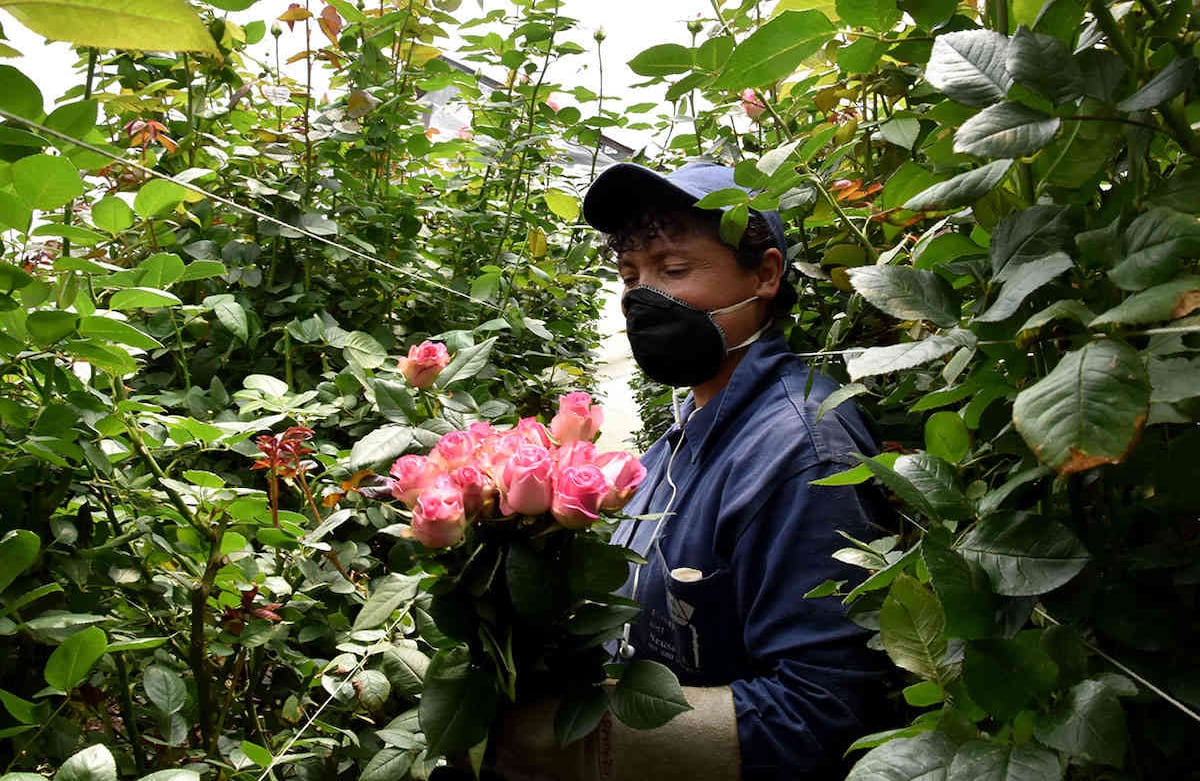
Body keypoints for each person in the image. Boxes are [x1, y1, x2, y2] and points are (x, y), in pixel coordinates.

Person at [495, 161, 886, 781]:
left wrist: (575, 745)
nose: (643, 297)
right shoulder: (681, 439)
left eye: (674, 270)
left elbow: (824, 714)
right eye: (631, 276)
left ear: (764, 275)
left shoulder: (800, 453)